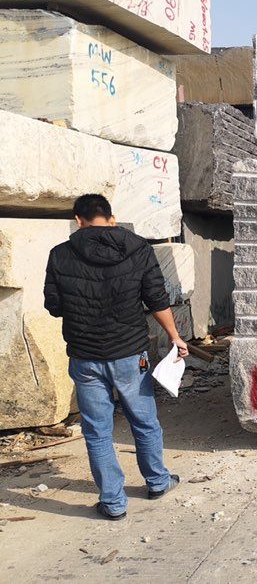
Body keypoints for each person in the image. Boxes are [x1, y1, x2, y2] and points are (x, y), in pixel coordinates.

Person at [43, 194, 190, 520]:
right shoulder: (138, 249)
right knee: (145, 421)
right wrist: (175, 336)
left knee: (97, 432)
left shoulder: (60, 254)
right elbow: (156, 299)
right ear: (111, 218)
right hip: (129, 354)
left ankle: (112, 502)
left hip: (85, 356)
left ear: (78, 220)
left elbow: (53, 306)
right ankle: (157, 482)